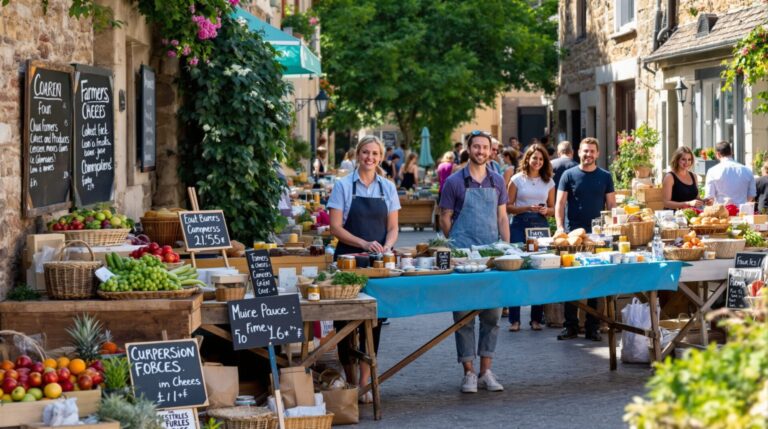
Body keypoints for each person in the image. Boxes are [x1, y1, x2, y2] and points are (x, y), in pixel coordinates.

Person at [327, 135, 401, 403]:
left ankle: (364, 382)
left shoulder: (388, 187)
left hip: (376, 262)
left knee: (374, 319)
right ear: (358, 154)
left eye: (375, 153)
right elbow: (336, 227)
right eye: (366, 152)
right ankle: (348, 380)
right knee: (344, 321)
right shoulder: (343, 185)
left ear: (380, 157)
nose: (370, 157)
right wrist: (363, 243)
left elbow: (393, 227)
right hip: (347, 259)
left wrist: (386, 247)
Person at [439, 130, 509, 393]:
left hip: (492, 256)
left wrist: (506, 248)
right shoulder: (455, 182)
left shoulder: (498, 180)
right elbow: (445, 217)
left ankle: (486, 371)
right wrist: (456, 242)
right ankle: (468, 372)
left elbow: (502, 218)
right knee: (464, 315)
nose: (480, 151)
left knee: (492, 315)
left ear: (491, 151)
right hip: (463, 258)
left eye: (485, 147)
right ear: (468, 149)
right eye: (476, 146)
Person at [555, 137, 616, 341]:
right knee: (571, 280)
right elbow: (560, 203)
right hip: (573, 237)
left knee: (595, 281)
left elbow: (612, 206)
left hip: (597, 237)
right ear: (578, 153)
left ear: (597, 154)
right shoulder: (568, 175)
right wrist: (560, 228)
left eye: (591, 151)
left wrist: (612, 228)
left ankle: (593, 327)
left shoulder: (605, 176)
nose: (588, 154)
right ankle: (570, 325)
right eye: (584, 151)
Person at [506, 144, 555, 332]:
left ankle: (536, 319)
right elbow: (508, 206)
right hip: (519, 224)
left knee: (539, 271)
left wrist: (545, 210)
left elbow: (552, 208)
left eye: (541, 159)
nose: (537, 162)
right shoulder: (517, 179)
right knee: (515, 270)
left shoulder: (549, 182)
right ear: (527, 159)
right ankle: (514, 319)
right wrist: (526, 208)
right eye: (535, 158)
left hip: (540, 227)